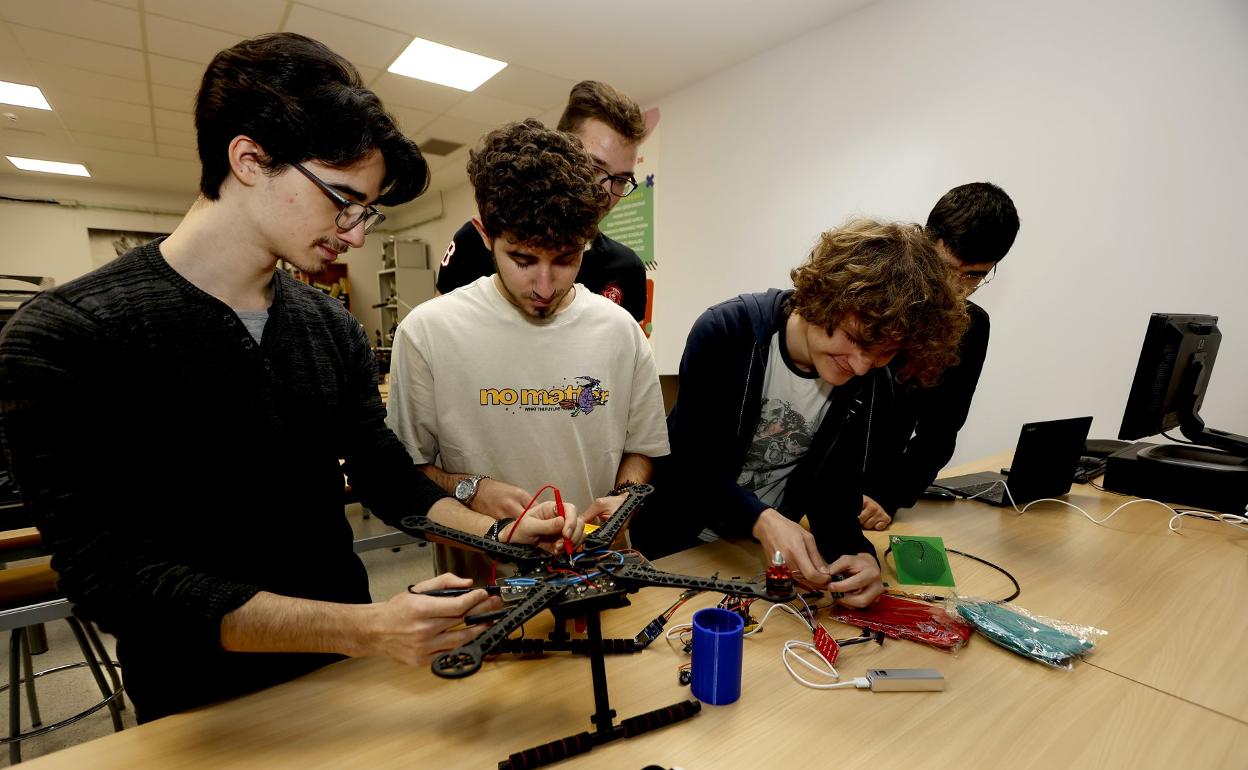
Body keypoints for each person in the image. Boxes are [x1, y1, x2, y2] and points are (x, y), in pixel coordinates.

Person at [0, 33, 585, 723]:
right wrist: (364, 627)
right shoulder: (65, 337)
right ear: (249, 159)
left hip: (346, 678)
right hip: (198, 702)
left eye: (366, 210)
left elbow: (386, 477)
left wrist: (496, 537)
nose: (356, 233)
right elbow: (116, 581)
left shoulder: (326, 325)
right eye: (343, 199)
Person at [630, 220, 967, 606]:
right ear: (823, 297)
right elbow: (691, 468)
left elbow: (835, 497)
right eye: (855, 339)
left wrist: (859, 557)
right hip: (670, 549)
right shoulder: (727, 332)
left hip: (757, 562)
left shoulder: (872, 380)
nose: (861, 365)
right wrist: (763, 519)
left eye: (884, 352)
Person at [386, 119, 669, 572]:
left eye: (565, 259)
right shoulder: (427, 334)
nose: (544, 285)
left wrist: (622, 499)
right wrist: (472, 490)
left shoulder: (620, 331)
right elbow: (405, 475)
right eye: (522, 259)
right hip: (480, 592)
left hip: (594, 574)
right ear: (484, 237)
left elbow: (643, 447)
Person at [859, 183, 1020, 530]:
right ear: (926, 246)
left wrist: (890, 496)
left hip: (872, 499)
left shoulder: (972, 327)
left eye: (975, 275)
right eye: (947, 267)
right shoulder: (867, 294)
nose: (957, 286)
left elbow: (941, 432)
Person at [435, 81, 649, 322]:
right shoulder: (476, 243)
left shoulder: (626, 269)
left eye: (621, 180)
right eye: (595, 167)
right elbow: (439, 336)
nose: (606, 193)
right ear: (560, 151)